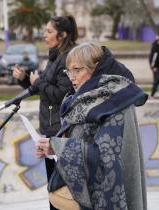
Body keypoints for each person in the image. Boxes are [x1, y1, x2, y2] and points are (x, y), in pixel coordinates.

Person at [35, 42, 148, 210]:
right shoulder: (81, 100)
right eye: (68, 70)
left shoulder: (114, 101)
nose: (71, 77)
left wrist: (58, 146)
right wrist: (53, 146)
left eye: (77, 70)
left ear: (96, 68)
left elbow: (106, 158)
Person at [13, 15, 78, 210]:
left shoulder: (68, 58)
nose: (44, 35)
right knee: (54, 190)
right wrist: (25, 80)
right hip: (50, 129)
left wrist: (37, 82)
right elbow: (43, 88)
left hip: (61, 132)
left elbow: (61, 94)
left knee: (63, 193)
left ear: (63, 35)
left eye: (49, 31)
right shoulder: (54, 56)